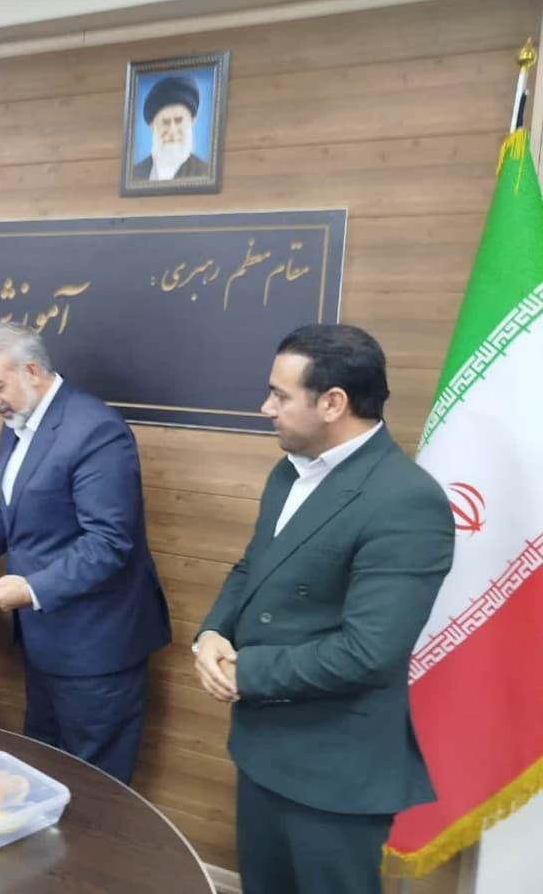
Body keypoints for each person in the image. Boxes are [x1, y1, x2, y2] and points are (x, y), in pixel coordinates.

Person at [193, 324, 455, 894]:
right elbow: (253, 567)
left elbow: (369, 652)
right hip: (263, 747)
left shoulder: (406, 500)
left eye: (280, 395)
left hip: (335, 770)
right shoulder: (289, 471)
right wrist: (212, 632)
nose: (266, 408)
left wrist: (246, 671)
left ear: (333, 402)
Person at [0, 322, 169, 782]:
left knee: (94, 784)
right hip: (44, 641)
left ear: (31, 371)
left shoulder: (96, 430)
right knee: (42, 770)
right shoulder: (17, 421)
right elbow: (14, 506)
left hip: (96, 648)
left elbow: (108, 542)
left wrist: (31, 589)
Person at [131, 74, 210, 182]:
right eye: (165, 122)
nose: (172, 131)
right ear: (152, 126)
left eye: (179, 120)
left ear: (192, 121)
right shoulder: (134, 174)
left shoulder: (205, 173)